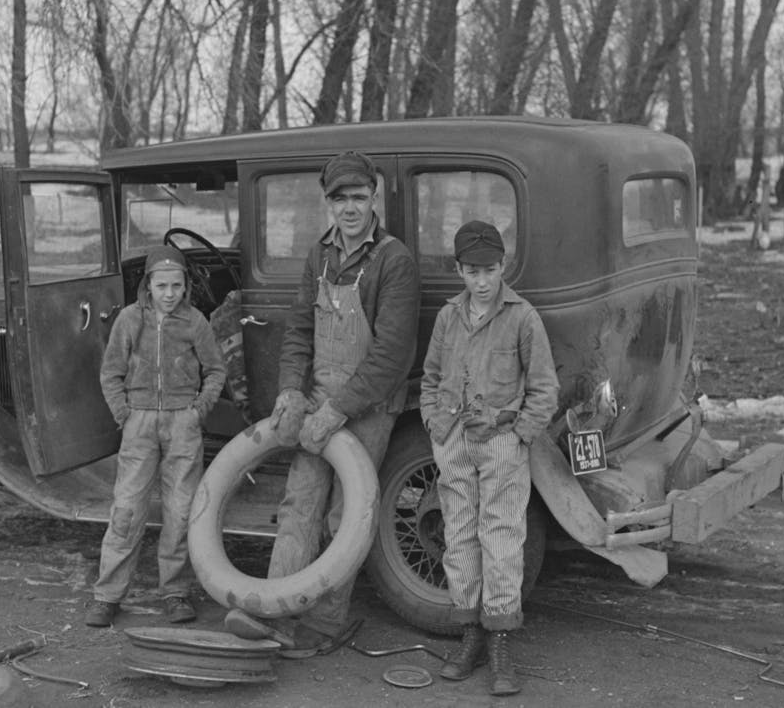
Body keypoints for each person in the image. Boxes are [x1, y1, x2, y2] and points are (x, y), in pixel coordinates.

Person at [225, 150, 420, 656]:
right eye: (340, 199)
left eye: (359, 197)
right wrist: (291, 391)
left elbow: (391, 355)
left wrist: (340, 410)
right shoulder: (320, 255)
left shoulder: (394, 260)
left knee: (344, 514)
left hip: (369, 408)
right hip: (317, 399)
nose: (350, 208)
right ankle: (271, 611)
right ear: (328, 202)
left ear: (374, 197)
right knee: (299, 504)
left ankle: (325, 623)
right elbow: (299, 332)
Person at [419, 220, 559, 696]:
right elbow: (430, 376)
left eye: (492, 269)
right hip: (453, 441)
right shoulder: (447, 318)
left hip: (500, 443)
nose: (483, 280)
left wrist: (519, 434)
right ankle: (470, 636)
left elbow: (544, 388)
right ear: (459, 270)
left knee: (500, 536)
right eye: (473, 271)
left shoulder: (523, 317)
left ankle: (500, 641)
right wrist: (435, 423)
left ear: (503, 267)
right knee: (458, 534)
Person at [85, 245, 226, 628]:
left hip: (183, 423)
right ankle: (108, 595)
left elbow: (216, 371)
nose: (169, 293)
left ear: (186, 286)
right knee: (127, 508)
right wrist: (124, 414)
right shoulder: (130, 320)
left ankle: (175, 592)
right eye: (161, 285)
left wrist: (198, 411)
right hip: (140, 423)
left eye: (176, 285)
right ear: (148, 285)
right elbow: (110, 372)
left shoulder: (195, 322)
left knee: (180, 512)